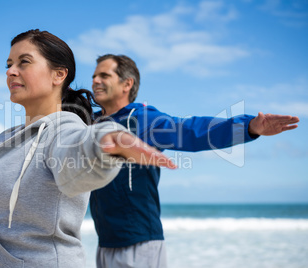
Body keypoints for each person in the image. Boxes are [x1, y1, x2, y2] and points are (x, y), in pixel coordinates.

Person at [0, 31, 176, 268]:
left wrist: (106, 142)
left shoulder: (62, 131)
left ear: (58, 75)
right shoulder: (5, 140)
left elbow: (78, 150)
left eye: (24, 62)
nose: (11, 71)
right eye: (9, 64)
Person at [90, 54, 300, 268]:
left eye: (104, 75)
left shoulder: (144, 119)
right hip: (104, 243)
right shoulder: (91, 123)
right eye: (94, 76)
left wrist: (249, 127)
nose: (95, 81)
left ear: (127, 84)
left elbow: (193, 130)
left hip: (139, 243)